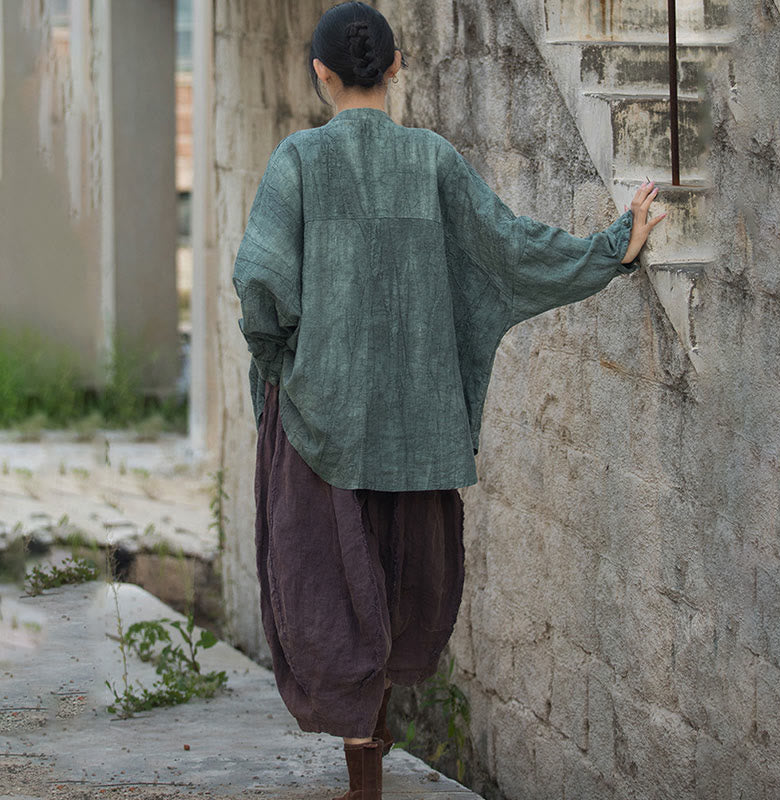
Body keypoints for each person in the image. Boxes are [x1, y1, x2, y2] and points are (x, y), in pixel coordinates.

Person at [232, 3, 665, 798]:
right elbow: (511, 251)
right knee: (393, 590)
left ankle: (364, 780)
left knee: (331, 596)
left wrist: (281, 364)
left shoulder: (297, 162)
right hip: (414, 430)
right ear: (398, 68)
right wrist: (612, 247)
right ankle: (370, 771)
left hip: (318, 427)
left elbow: (260, 287)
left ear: (319, 75)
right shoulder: (433, 161)